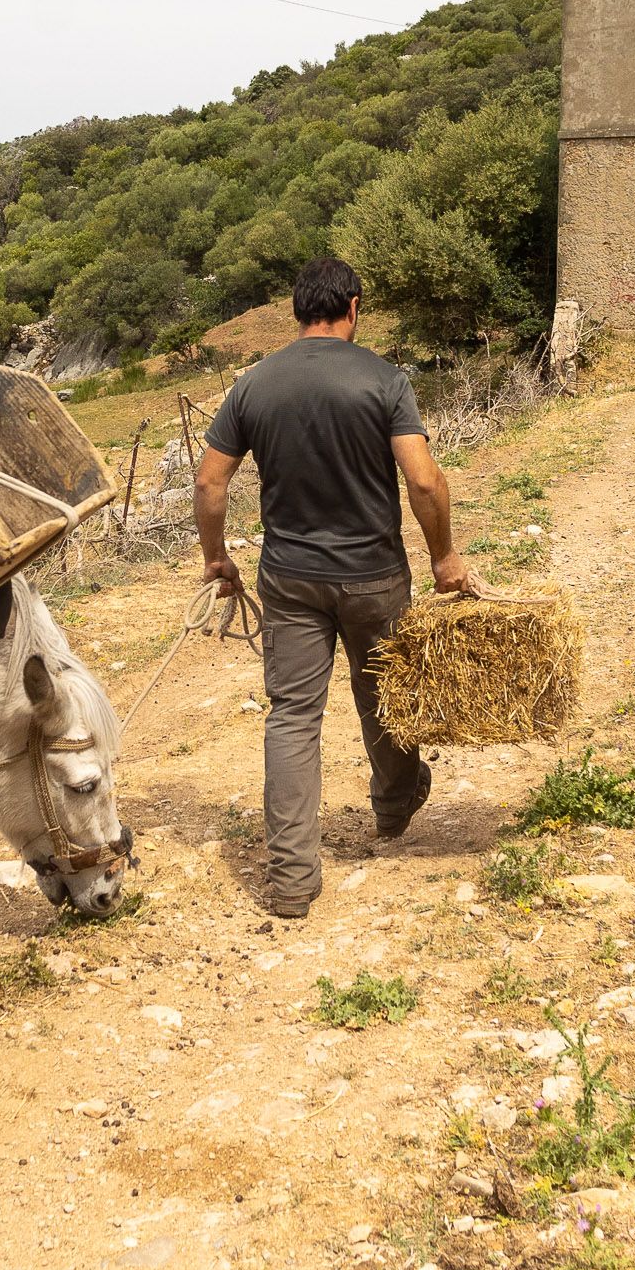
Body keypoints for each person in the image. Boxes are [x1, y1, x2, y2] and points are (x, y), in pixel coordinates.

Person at [195, 256, 473, 919]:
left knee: (292, 716)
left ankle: (291, 879)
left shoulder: (253, 385)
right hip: (375, 574)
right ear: (352, 308)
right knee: (383, 693)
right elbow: (425, 481)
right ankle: (394, 805)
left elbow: (209, 483)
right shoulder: (384, 380)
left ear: (298, 311)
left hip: (290, 579)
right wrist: (445, 558)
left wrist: (216, 560)